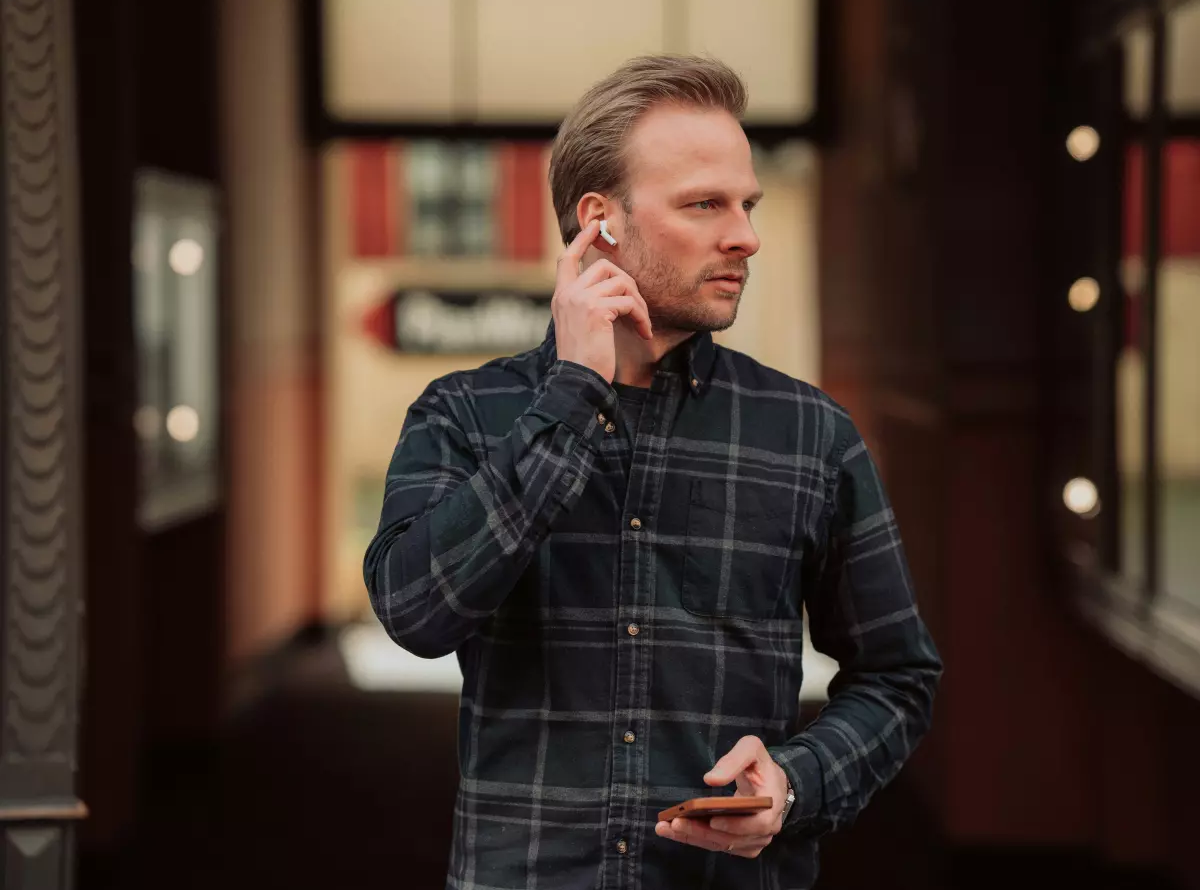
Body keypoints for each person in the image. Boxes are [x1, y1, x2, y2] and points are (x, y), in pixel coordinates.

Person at [363, 54, 942, 890]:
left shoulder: (812, 436)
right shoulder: (463, 415)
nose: (745, 234)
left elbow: (898, 677)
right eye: (705, 203)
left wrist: (793, 781)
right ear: (598, 222)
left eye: (747, 204)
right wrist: (572, 396)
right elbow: (415, 613)